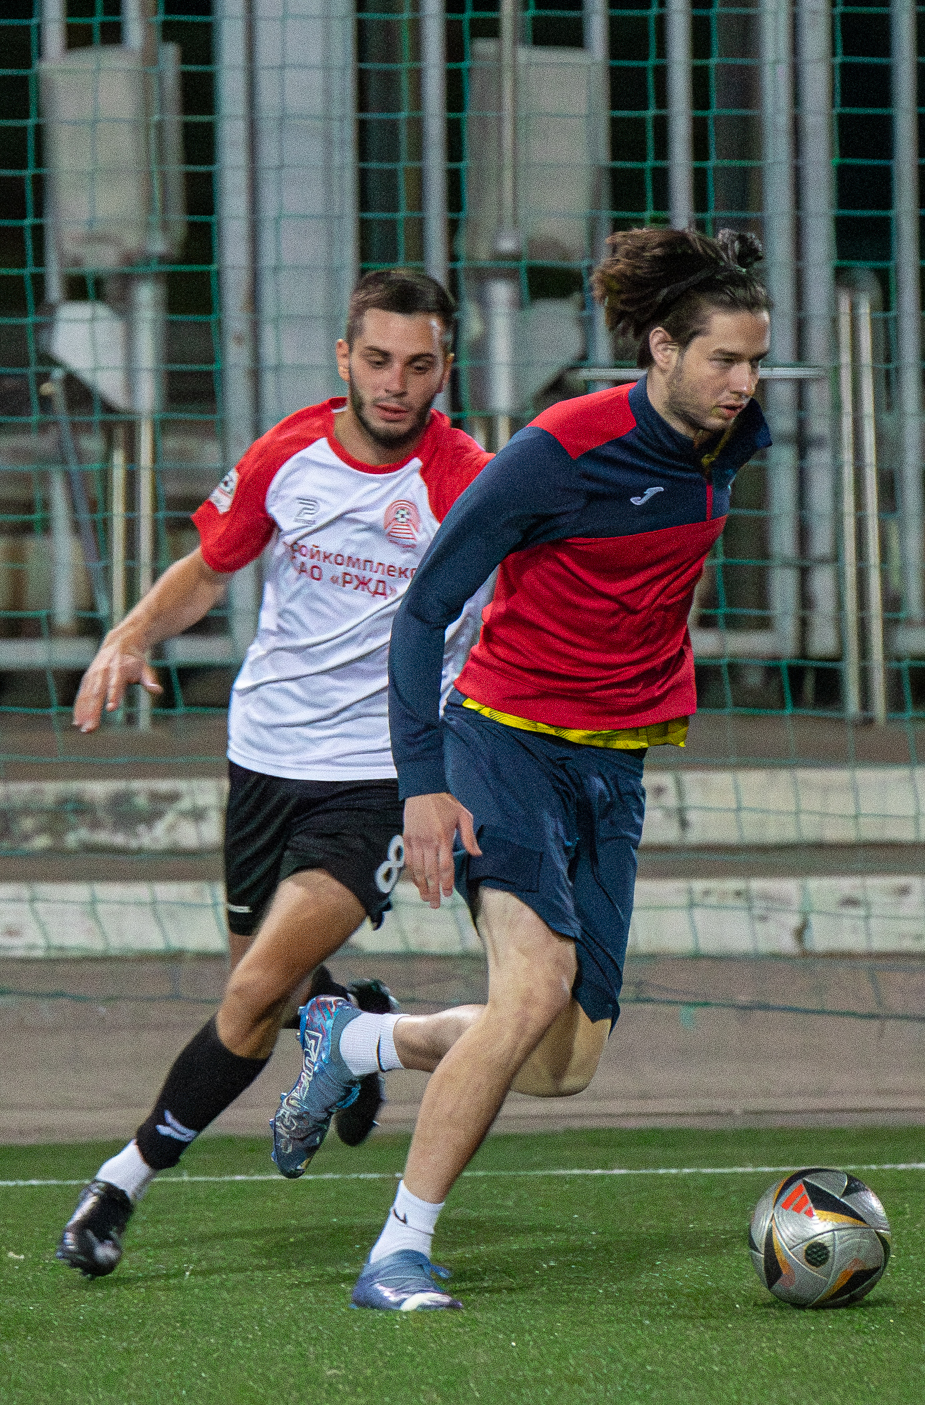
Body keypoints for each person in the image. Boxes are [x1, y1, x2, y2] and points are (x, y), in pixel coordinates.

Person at [270, 226, 771, 1312]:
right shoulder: (558, 449)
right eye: (725, 360)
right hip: (503, 742)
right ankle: (396, 1253)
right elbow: (423, 613)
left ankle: (357, 1036)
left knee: (560, 1063)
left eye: (756, 361)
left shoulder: (730, 437)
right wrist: (422, 784)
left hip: (615, 767)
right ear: (662, 349)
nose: (746, 383)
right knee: (532, 987)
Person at [57, 270, 492, 1276]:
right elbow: (210, 567)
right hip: (263, 755)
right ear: (345, 358)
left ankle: (120, 1182)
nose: (395, 384)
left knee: (251, 991)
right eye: (377, 360)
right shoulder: (287, 453)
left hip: (378, 774)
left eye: (418, 365)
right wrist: (130, 634)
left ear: (445, 371)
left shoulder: (467, 481)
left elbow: (520, 603)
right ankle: (351, 1027)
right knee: (275, 995)